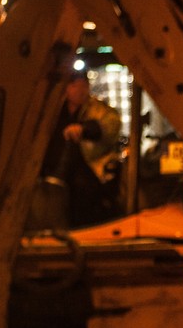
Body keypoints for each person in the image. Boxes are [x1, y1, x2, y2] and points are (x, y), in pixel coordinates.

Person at [41, 70, 122, 227]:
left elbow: (110, 125)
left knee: (83, 190)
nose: (80, 90)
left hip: (91, 167)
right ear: (65, 88)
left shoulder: (98, 109)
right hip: (54, 169)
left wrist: (84, 129)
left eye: (84, 85)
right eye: (75, 85)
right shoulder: (54, 109)